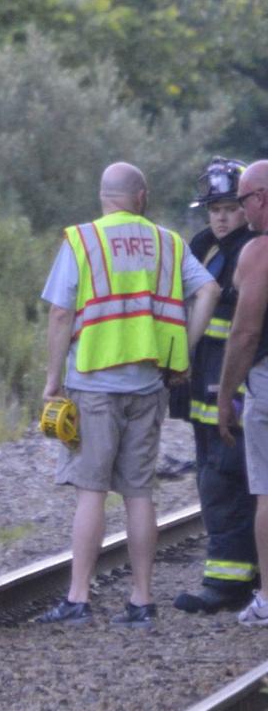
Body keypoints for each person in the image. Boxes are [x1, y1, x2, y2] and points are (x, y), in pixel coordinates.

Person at [37, 162, 219, 628]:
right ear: (142, 196)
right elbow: (211, 291)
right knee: (139, 494)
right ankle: (141, 600)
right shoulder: (168, 242)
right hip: (149, 385)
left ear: (104, 197)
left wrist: (52, 379)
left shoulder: (82, 240)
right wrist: (182, 353)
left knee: (91, 491)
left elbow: (61, 314)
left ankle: (78, 598)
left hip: (93, 384)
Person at [173, 159, 259, 613]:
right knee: (214, 478)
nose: (221, 217)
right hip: (202, 387)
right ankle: (244, 575)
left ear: (246, 207)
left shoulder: (253, 251)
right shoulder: (203, 248)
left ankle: (226, 583)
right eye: (214, 208)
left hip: (236, 390)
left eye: (229, 207)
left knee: (228, 482)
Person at [217, 160, 268, 625]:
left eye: (244, 199)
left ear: (262, 198)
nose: (242, 209)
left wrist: (224, 395)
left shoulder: (259, 252)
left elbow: (245, 332)